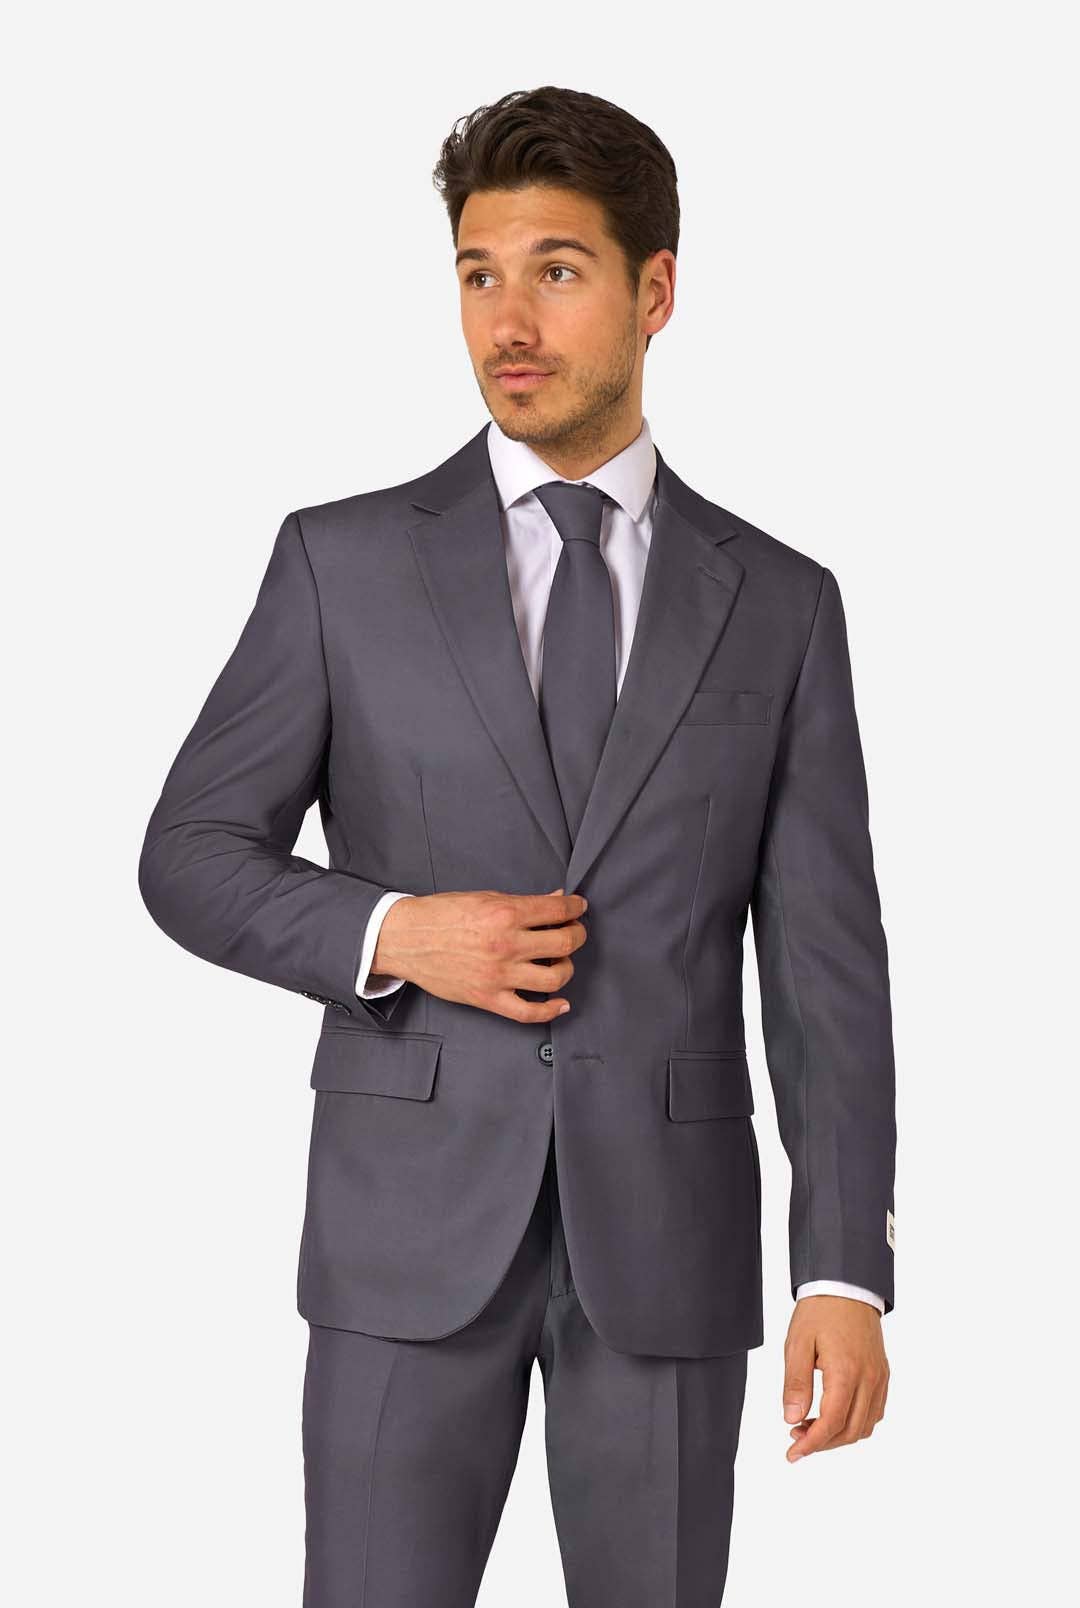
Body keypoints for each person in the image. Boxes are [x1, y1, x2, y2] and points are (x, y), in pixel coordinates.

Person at [139, 83, 896, 1608]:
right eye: (479, 274)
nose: (509, 321)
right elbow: (192, 851)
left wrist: (843, 1267)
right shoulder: (342, 564)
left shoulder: (780, 603)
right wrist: (393, 932)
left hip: (668, 1250)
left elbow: (826, 968)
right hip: (400, 1238)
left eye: (557, 270)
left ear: (655, 291)